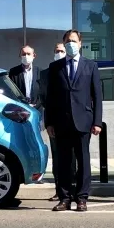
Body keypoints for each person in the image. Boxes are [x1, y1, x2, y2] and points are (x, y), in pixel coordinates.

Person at [45, 29, 103, 212]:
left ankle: (82, 198)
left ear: (80, 44)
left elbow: (97, 95)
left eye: (74, 40)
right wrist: (49, 123)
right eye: (68, 41)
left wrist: (97, 122)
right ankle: (64, 197)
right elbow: (50, 98)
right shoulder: (55, 68)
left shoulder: (90, 66)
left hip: (83, 121)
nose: (71, 44)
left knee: (83, 162)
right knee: (63, 162)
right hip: (61, 122)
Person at [42, 43, 69, 201]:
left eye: (61, 51)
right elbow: (47, 98)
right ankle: (59, 190)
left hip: (73, 122)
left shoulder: (75, 70)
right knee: (57, 158)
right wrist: (48, 122)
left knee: (74, 160)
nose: (59, 53)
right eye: (56, 50)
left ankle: (72, 190)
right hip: (56, 122)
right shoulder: (48, 72)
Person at [8, 45, 42, 110]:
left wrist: (36, 105)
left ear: (34, 55)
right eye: (23, 54)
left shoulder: (40, 71)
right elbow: (11, 91)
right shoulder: (13, 72)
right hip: (20, 110)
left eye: (28, 54)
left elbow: (43, 92)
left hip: (37, 109)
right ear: (20, 56)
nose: (26, 56)